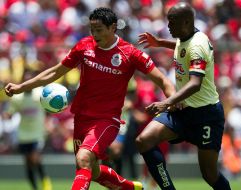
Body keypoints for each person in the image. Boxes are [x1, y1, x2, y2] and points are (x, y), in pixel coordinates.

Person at [5, 7, 175, 190]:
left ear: (113, 27)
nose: (94, 34)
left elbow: (162, 80)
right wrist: (22, 86)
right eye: (92, 30)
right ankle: (129, 187)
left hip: (107, 120)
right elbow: (55, 72)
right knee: (90, 170)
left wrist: (172, 101)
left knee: (84, 158)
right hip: (81, 117)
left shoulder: (130, 54)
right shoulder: (84, 46)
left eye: (99, 30)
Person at [136, 2, 231, 190]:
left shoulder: (198, 45)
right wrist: (160, 43)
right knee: (144, 140)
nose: (168, 26)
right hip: (183, 111)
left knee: (210, 175)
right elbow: (181, 47)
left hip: (206, 115)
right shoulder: (186, 36)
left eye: (172, 23)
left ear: (186, 22)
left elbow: (195, 84)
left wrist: (166, 102)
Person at [5, 70, 52, 190]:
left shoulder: (40, 93)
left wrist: (49, 122)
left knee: (35, 158)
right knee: (28, 163)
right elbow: (10, 113)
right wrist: (7, 115)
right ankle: (34, 187)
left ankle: (45, 182)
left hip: (38, 133)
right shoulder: (17, 98)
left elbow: (48, 109)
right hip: (23, 134)